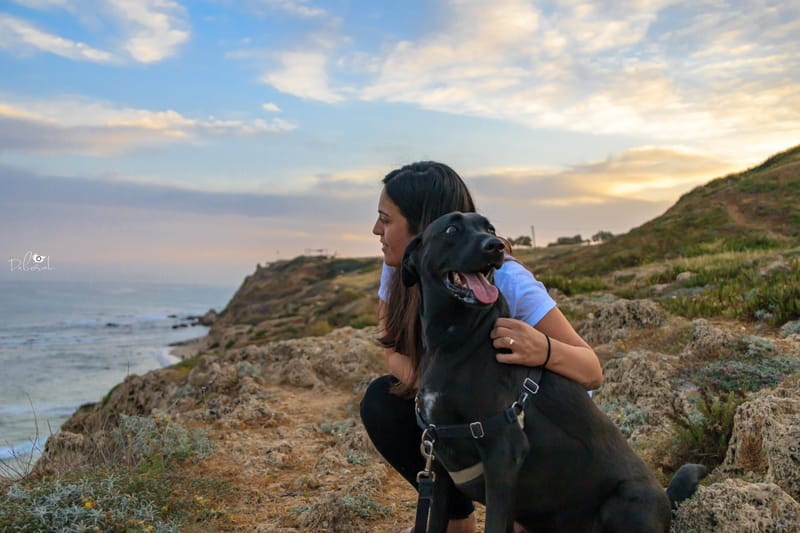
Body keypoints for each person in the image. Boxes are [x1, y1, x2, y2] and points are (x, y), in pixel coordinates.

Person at [359, 161, 603, 533]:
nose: (376, 229)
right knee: (383, 401)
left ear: (423, 226)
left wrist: (542, 348)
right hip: (471, 413)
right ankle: (457, 522)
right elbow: (391, 348)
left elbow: (591, 371)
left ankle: (529, 514)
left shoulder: (506, 278)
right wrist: (438, 391)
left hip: (538, 437)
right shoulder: (398, 268)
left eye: (385, 219)